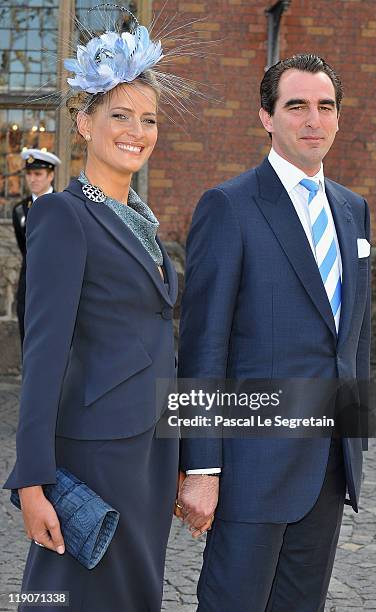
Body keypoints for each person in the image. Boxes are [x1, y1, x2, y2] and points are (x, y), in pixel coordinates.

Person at [177, 54, 371, 611]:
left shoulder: (353, 209)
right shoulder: (229, 206)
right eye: (296, 106)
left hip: (331, 465)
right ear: (266, 116)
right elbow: (202, 344)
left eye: (325, 106)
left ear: (337, 117)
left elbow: (354, 339)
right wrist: (202, 468)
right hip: (251, 468)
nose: (313, 120)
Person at [4, 12, 181, 611]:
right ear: (83, 123)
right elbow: (44, 353)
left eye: (149, 119)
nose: (138, 131)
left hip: (151, 451)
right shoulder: (61, 215)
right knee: (75, 597)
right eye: (121, 115)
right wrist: (32, 479)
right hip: (97, 451)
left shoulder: (143, 223)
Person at [12, 149, 61, 345]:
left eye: (38, 174)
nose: (33, 179)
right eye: (29, 174)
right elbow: (25, 248)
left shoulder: (64, 206)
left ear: (51, 175)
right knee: (28, 339)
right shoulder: (20, 210)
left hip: (58, 282)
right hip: (29, 282)